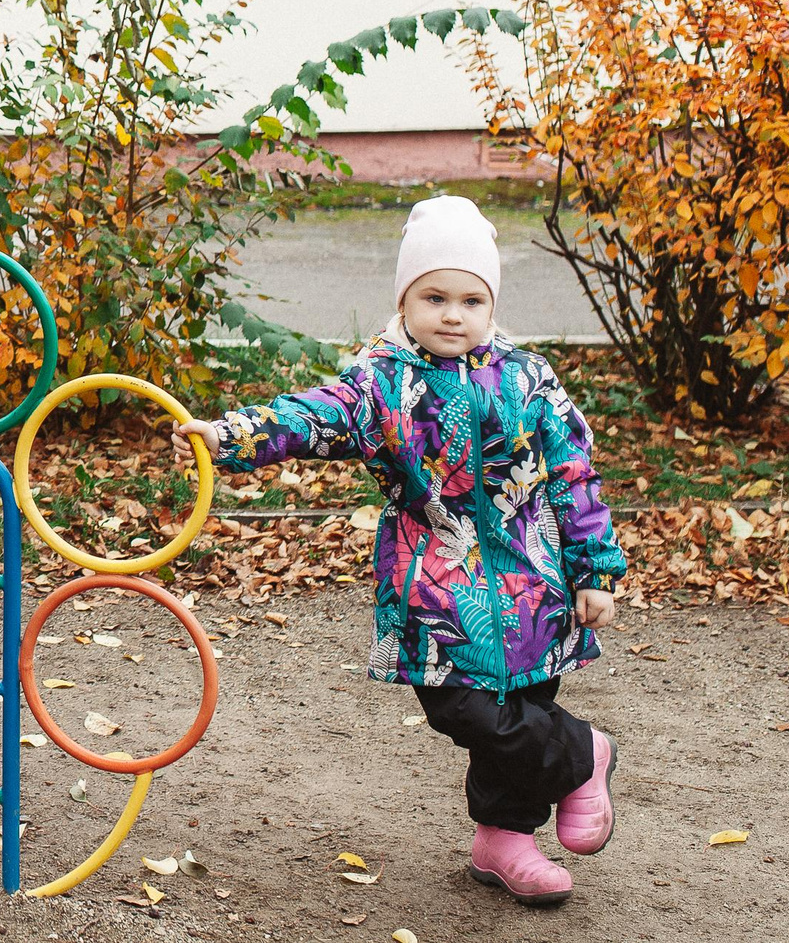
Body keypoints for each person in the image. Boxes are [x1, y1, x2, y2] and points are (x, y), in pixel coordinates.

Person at [174, 196, 627, 907]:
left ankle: (503, 842)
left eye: (471, 299)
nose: (453, 314)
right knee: (462, 710)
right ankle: (582, 756)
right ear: (405, 299)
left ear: (491, 303)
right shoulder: (379, 381)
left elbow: (575, 474)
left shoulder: (529, 378)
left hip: (534, 587)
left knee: (524, 707)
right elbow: (309, 415)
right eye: (434, 296)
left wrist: (595, 567)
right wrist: (231, 434)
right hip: (436, 588)